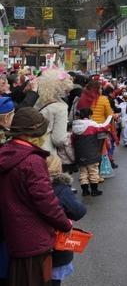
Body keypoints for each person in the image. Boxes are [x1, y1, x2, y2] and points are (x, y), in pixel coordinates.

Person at [0, 107, 72, 286]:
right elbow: (45, 201)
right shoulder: (32, 161)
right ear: (33, 134)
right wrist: (64, 223)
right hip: (33, 236)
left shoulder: (6, 152)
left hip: (11, 232)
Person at [47, 156, 86, 286]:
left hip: (31, 242)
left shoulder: (29, 184)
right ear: (59, 168)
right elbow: (78, 212)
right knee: (54, 279)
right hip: (56, 243)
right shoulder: (61, 188)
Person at [72, 108, 112, 196]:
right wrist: (110, 117)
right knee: (93, 171)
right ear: (90, 115)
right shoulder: (91, 125)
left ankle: (85, 191)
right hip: (91, 153)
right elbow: (103, 127)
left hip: (80, 154)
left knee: (83, 172)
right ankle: (94, 190)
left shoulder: (75, 126)